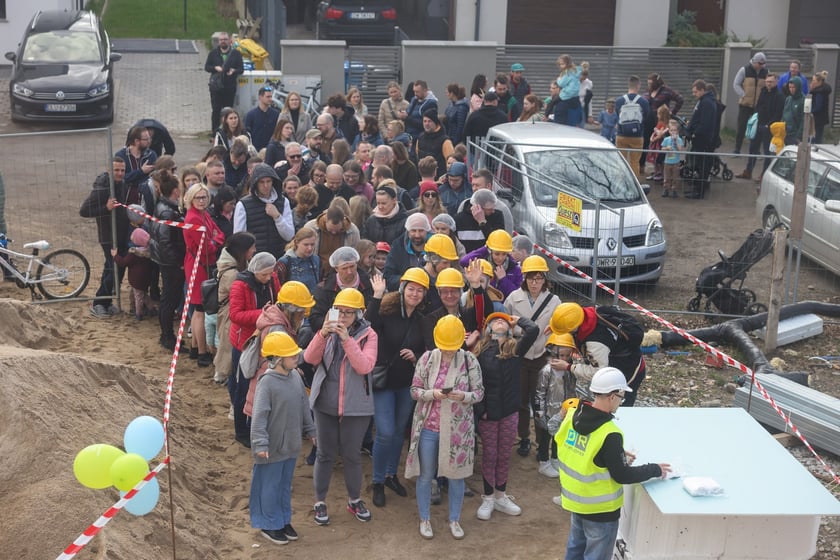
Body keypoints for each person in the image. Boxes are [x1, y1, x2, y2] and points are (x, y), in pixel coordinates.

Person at [556, 367, 671, 560]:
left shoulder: (572, 415)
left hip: (575, 502)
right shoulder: (610, 433)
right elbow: (623, 475)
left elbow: (568, 444)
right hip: (600, 511)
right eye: (621, 395)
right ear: (611, 396)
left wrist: (612, 454)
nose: (621, 400)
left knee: (575, 549)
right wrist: (655, 469)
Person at [405, 314, 484, 540]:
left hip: (458, 430)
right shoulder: (428, 358)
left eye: (452, 347)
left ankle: (455, 519)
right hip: (429, 427)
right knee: (425, 475)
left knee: (456, 477)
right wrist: (433, 394)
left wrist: (464, 396)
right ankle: (425, 518)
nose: (448, 351)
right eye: (445, 347)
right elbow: (414, 390)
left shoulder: (470, 360)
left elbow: (479, 393)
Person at [303, 287, 377, 526]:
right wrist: (322, 334)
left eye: (348, 312)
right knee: (324, 454)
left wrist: (346, 340)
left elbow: (364, 366)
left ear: (359, 314)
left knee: (352, 455)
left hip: (357, 404)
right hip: (325, 402)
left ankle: (354, 500)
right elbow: (310, 359)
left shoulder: (369, 335)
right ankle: (319, 502)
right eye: (339, 311)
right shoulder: (327, 331)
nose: (343, 316)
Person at [249, 331, 317, 546]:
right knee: (269, 485)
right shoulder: (266, 383)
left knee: (284, 485)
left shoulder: (295, 376)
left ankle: (283, 519)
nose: (296, 357)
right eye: (291, 355)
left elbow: (304, 406)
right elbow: (259, 416)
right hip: (271, 447)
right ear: (277, 359)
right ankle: (269, 524)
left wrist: (311, 430)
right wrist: (260, 444)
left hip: (291, 445)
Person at [367, 270, 428, 508]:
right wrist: (376, 296)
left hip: (407, 383)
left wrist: (417, 356)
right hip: (384, 383)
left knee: (399, 430)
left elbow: (428, 349)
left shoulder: (421, 319)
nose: (415, 293)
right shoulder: (387, 310)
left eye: (419, 290)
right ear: (402, 289)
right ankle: (378, 481)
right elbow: (369, 326)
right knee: (384, 432)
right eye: (411, 288)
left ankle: (392, 475)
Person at [473, 311, 539, 521]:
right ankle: (488, 497)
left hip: (509, 411)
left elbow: (533, 330)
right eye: (494, 320)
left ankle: (501, 495)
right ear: (488, 328)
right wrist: (481, 410)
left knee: (504, 455)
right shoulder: (479, 350)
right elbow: (474, 382)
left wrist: (518, 320)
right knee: (490, 454)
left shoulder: (515, 349)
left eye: (503, 320)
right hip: (488, 413)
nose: (499, 321)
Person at [503, 255, 560, 458]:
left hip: (542, 356)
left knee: (540, 401)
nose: (535, 283)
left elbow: (559, 327)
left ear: (545, 279)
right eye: (531, 278)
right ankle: (524, 437)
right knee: (520, 400)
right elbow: (504, 326)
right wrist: (517, 334)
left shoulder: (554, 301)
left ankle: (541, 442)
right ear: (524, 278)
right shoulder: (513, 298)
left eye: (539, 279)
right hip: (520, 355)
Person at [229, 252, 281, 447]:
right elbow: (235, 315)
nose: (268, 278)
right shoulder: (240, 285)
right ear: (254, 272)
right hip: (245, 342)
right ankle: (241, 431)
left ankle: (256, 424)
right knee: (243, 386)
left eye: (270, 274)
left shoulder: (272, 279)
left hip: (266, 340)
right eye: (264, 275)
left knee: (259, 386)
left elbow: (278, 298)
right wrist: (263, 313)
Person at [548, 302, 646, 406]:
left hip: (627, 372)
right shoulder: (586, 313)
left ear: (573, 328)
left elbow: (597, 372)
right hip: (624, 358)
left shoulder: (596, 343)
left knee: (617, 410)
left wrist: (569, 367)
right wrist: (555, 328)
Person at [79, 158, 130, 318]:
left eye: (122, 170)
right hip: (109, 236)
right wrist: (106, 208)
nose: (120, 173)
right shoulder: (103, 187)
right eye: (116, 170)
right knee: (112, 268)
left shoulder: (121, 183)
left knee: (118, 268)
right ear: (109, 170)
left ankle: (107, 302)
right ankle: (99, 303)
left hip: (121, 233)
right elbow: (84, 210)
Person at [183, 184, 226, 366]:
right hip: (198, 266)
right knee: (200, 310)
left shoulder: (203, 214)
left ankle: (195, 348)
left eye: (204, 197)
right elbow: (208, 247)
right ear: (191, 199)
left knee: (197, 309)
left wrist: (214, 239)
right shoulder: (194, 217)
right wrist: (215, 239)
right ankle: (202, 352)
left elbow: (220, 233)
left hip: (200, 264)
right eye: (198, 197)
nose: (202, 200)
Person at [147, 171, 186, 351]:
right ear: (176, 191)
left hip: (166, 259)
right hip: (170, 263)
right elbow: (165, 240)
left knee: (168, 298)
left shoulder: (165, 207)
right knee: (169, 299)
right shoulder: (167, 211)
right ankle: (167, 336)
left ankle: (168, 335)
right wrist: (177, 261)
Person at [213, 232, 257, 385]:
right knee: (227, 345)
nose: (254, 250)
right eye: (252, 248)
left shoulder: (232, 265)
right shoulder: (232, 273)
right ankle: (222, 374)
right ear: (242, 250)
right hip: (228, 313)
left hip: (228, 311)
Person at [533, 333, 578, 479]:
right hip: (549, 411)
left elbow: (572, 389)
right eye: (562, 355)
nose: (564, 359)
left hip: (564, 411)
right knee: (545, 438)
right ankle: (544, 461)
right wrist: (540, 414)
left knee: (559, 437)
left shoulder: (569, 371)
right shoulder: (547, 371)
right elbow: (539, 393)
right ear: (553, 353)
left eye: (567, 355)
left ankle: (555, 459)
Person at [233, 163, 295, 258]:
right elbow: (239, 239)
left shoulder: (283, 201)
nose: (265, 185)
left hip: (279, 257)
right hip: (255, 260)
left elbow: (289, 235)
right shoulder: (243, 205)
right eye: (261, 182)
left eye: (268, 181)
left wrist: (277, 217)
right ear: (255, 183)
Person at [641, 73, 684, 175]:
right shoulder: (648, 91)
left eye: (651, 83)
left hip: (660, 123)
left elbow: (680, 99)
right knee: (645, 143)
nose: (649, 85)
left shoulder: (666, 91)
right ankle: (642, 167)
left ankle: (661, 170)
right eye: (648, 83)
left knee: (660, 145)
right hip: (647, 122)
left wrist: (672, 113)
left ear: (656, 83)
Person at [459, 229, 522, 299]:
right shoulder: (482, 262)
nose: (500, 258)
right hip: (484, 304)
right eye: (497, 254)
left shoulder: (514, 268)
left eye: (504, 254)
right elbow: (464, 261)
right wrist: (485, 249)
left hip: (505, 307)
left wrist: (503, 279)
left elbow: (517, 296)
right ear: (490, 251)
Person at [112, 227, 155, 321]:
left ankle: (139, 313)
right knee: (143, 294)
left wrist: (115, 256)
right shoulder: (149, 252)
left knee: (138, 297)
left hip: (136, 280)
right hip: (146, 278)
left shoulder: (134, 253)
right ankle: (152, 308)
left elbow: (123, 262)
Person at [205, 32, 245, 133]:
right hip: (216, 87)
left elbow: (241, 69)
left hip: (229, 87)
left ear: (229, 41)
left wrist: (234, 71)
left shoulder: (235, 53)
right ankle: (215, 133)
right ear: (218, 42)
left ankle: (228, 131)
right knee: (216, 110)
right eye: (221, 40)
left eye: (225, 39)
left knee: (228, 111)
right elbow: (207, 67)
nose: (223, 41)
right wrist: (215, 68)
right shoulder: (213, 53)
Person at [382, 213, 432, 291]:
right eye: (413, 231)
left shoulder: (436, 246)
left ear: (427, 231)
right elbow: (388, 276)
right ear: (408, 231)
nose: (417, 235)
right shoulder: (397, 246)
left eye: (421, 231)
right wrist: (408, 281)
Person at [685, 79, 717, 199]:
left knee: (702, 165)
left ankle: (700, 191)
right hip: (700, 138)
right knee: (699, 164)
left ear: (702, 90)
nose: (694, 94)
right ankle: (697, 188)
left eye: (695, 92)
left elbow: (705, 123)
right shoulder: (705, 101)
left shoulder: (707, 103)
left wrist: (695, 133)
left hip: (702, 139)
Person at [732, 52, 768, 155]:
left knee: (757, 128)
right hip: (745, 104)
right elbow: (736, 84)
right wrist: (743, 95)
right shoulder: (744, 70)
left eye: (763, 63)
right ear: (754, 62)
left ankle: (755, 150)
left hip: (758, 105)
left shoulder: (766, 72)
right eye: (760, 63)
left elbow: (767, 86)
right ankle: (737, 149)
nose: (762, 66)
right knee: (741, 126)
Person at [614, 75, 650, 177]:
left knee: (621, 161)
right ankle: (635, 185)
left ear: (628, 85)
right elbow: (646, 117)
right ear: (638, 86)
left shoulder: (619, 100)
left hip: (621, 134)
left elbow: (617, 115)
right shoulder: (643, 101)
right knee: (635, 162)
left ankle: (621, 182)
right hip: (637, 136)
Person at [455, 189, 505, 254]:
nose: (493, 211)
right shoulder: (459, 219)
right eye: (489, 209)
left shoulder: (497, 216)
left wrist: (482, 222)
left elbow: (498, 243)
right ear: (478, 208)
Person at [277, 227, 320, 291]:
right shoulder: (284, 262)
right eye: (306, 244)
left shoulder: (316, 259)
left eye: (312, 244)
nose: (310, 248)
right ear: (297, 243)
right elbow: (278, 286)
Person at [416, 110, 454, 180]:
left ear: (436, 123)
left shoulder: (445, 141)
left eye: (429, 121)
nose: (426, 124)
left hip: (440, 181)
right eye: (425, 121)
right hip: (422, 180)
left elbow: (451, 163)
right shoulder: (420, 138)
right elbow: (417, 156)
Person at [553, 55, 582, 126]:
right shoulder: (576, 72)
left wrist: (558, 78)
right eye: (560, 64)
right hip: (575, 97)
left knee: (553, 103)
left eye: (562, 64)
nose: (561, 66)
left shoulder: (567, 72)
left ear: (568, 64)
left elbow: (561, 83)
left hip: (566, 96)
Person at [661, 119, 685, 198]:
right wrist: (666, 148)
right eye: (671, 130)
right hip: (667, 161)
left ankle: (674, 189)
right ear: (669, 131)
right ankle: (666, 189)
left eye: (675, 130)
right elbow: (662, 149)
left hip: (676, 162)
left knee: (675, 177)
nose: (673, 132)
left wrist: (676, 141)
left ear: (677, 131)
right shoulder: (666, 139)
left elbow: (680, 150)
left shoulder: (679, 140)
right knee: (667, 176)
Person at [647, 105, 671, 183]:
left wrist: (653, 139)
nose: (657, 115)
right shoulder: (661, 123)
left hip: (658, 144)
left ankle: (659, 173)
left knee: (658, 159)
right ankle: (657, 172)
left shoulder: (663, 124)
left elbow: (660, 134)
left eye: (658, 114)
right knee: (656, 159)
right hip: (656, 143)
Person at [782, 76, 806, 146]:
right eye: (790, 87)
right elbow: (784, 114)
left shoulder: (803, 100)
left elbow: (803, 119)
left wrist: (799, 136)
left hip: (795, 134)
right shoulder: (788, 99)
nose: (791, 89)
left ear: (798, 87)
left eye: (793, 87)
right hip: (785, 132)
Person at [810, 71, 832, 144]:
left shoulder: (819, 92)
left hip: (817, 119)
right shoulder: (821, 90)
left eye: (814, 80)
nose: (812, 82)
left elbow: (818, 107)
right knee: (818, 136)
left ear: (819, 82)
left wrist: (809, 111)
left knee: (815, 137)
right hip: (820, 118)